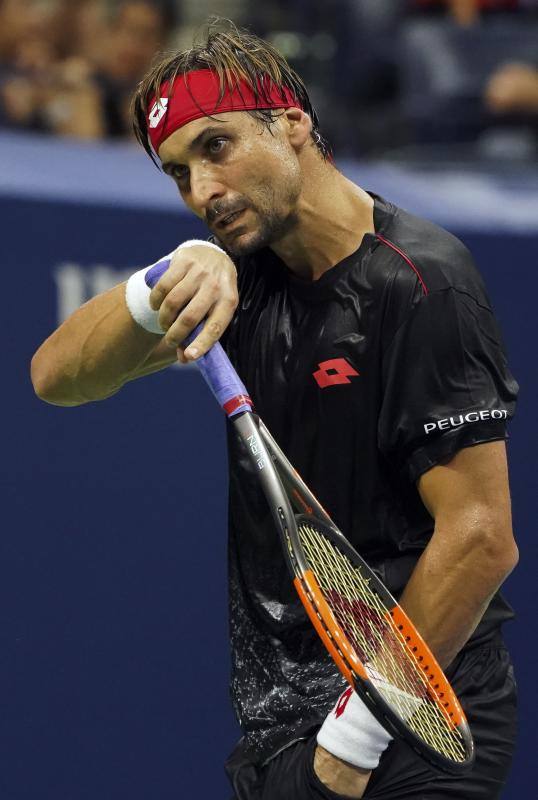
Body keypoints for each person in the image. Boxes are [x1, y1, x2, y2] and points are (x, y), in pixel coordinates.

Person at [31, 23, 519, 800]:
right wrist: (161, 279)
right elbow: (57, 377)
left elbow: (481, 539)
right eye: (179, 173)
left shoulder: (422, 283)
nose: (201, 192)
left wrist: (354, 742)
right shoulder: (240, 277)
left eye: (216, 147)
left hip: (411, 718)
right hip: (281, 724)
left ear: (290, 123)